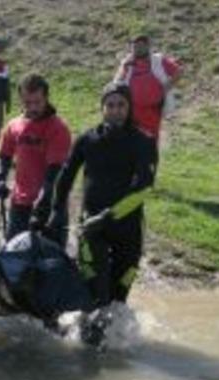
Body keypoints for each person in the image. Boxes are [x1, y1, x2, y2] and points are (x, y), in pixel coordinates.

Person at [47, 83, 156, 310]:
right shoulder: (87, 139)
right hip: (91, 228)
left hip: (128, 229)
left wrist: (108, 216)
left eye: (121, 105)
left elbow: (144, 188)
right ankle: (87, 327)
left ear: (129, 108)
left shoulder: (144, 142)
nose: (115, 110)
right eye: (110, 105)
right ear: (102, 108)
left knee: (119, 299)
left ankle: (113, 333)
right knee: (96, 295)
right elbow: (65, 176)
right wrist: (56, 210)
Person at [0, 73, 72, 245]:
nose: (33, 107)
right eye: (27, 103)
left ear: (46, 98)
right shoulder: (13, 126)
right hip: (20, 204)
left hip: (50, 205)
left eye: (38, 102)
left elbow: (54, 172)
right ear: (21, 100)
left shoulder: (58, 128)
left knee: (51, 257)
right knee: (14, 255)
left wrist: (43, 203)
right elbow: (3, 156)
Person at [114, 34, 181, 147]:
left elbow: (177, 71)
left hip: (152, 110)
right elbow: (117, 82)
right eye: (135, 47)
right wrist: (124, 67)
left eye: (141, 46)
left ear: (148, 47)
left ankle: (150, 157)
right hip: (132, 109)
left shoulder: (158, 60)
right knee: (131, 139)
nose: (138, 49)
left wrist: (167, 86)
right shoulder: (127, 62)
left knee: (150, 138)